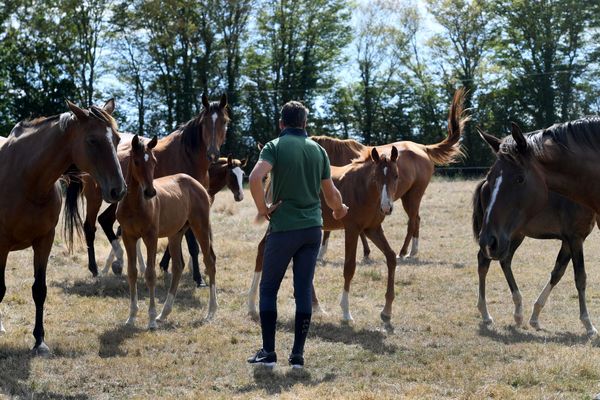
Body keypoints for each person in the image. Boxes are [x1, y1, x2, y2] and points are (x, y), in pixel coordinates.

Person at [247, 101, 348, 369]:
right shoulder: (319, 151)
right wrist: (340, 209)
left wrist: (263, 209)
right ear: (305, 124)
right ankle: (297, 357)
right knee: (303, 290)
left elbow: (255, 178)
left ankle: (268, 353)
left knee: (268, 289)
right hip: (312, 230)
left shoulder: (274, 146)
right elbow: (331, 194)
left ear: (282, 124)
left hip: (283, 230)